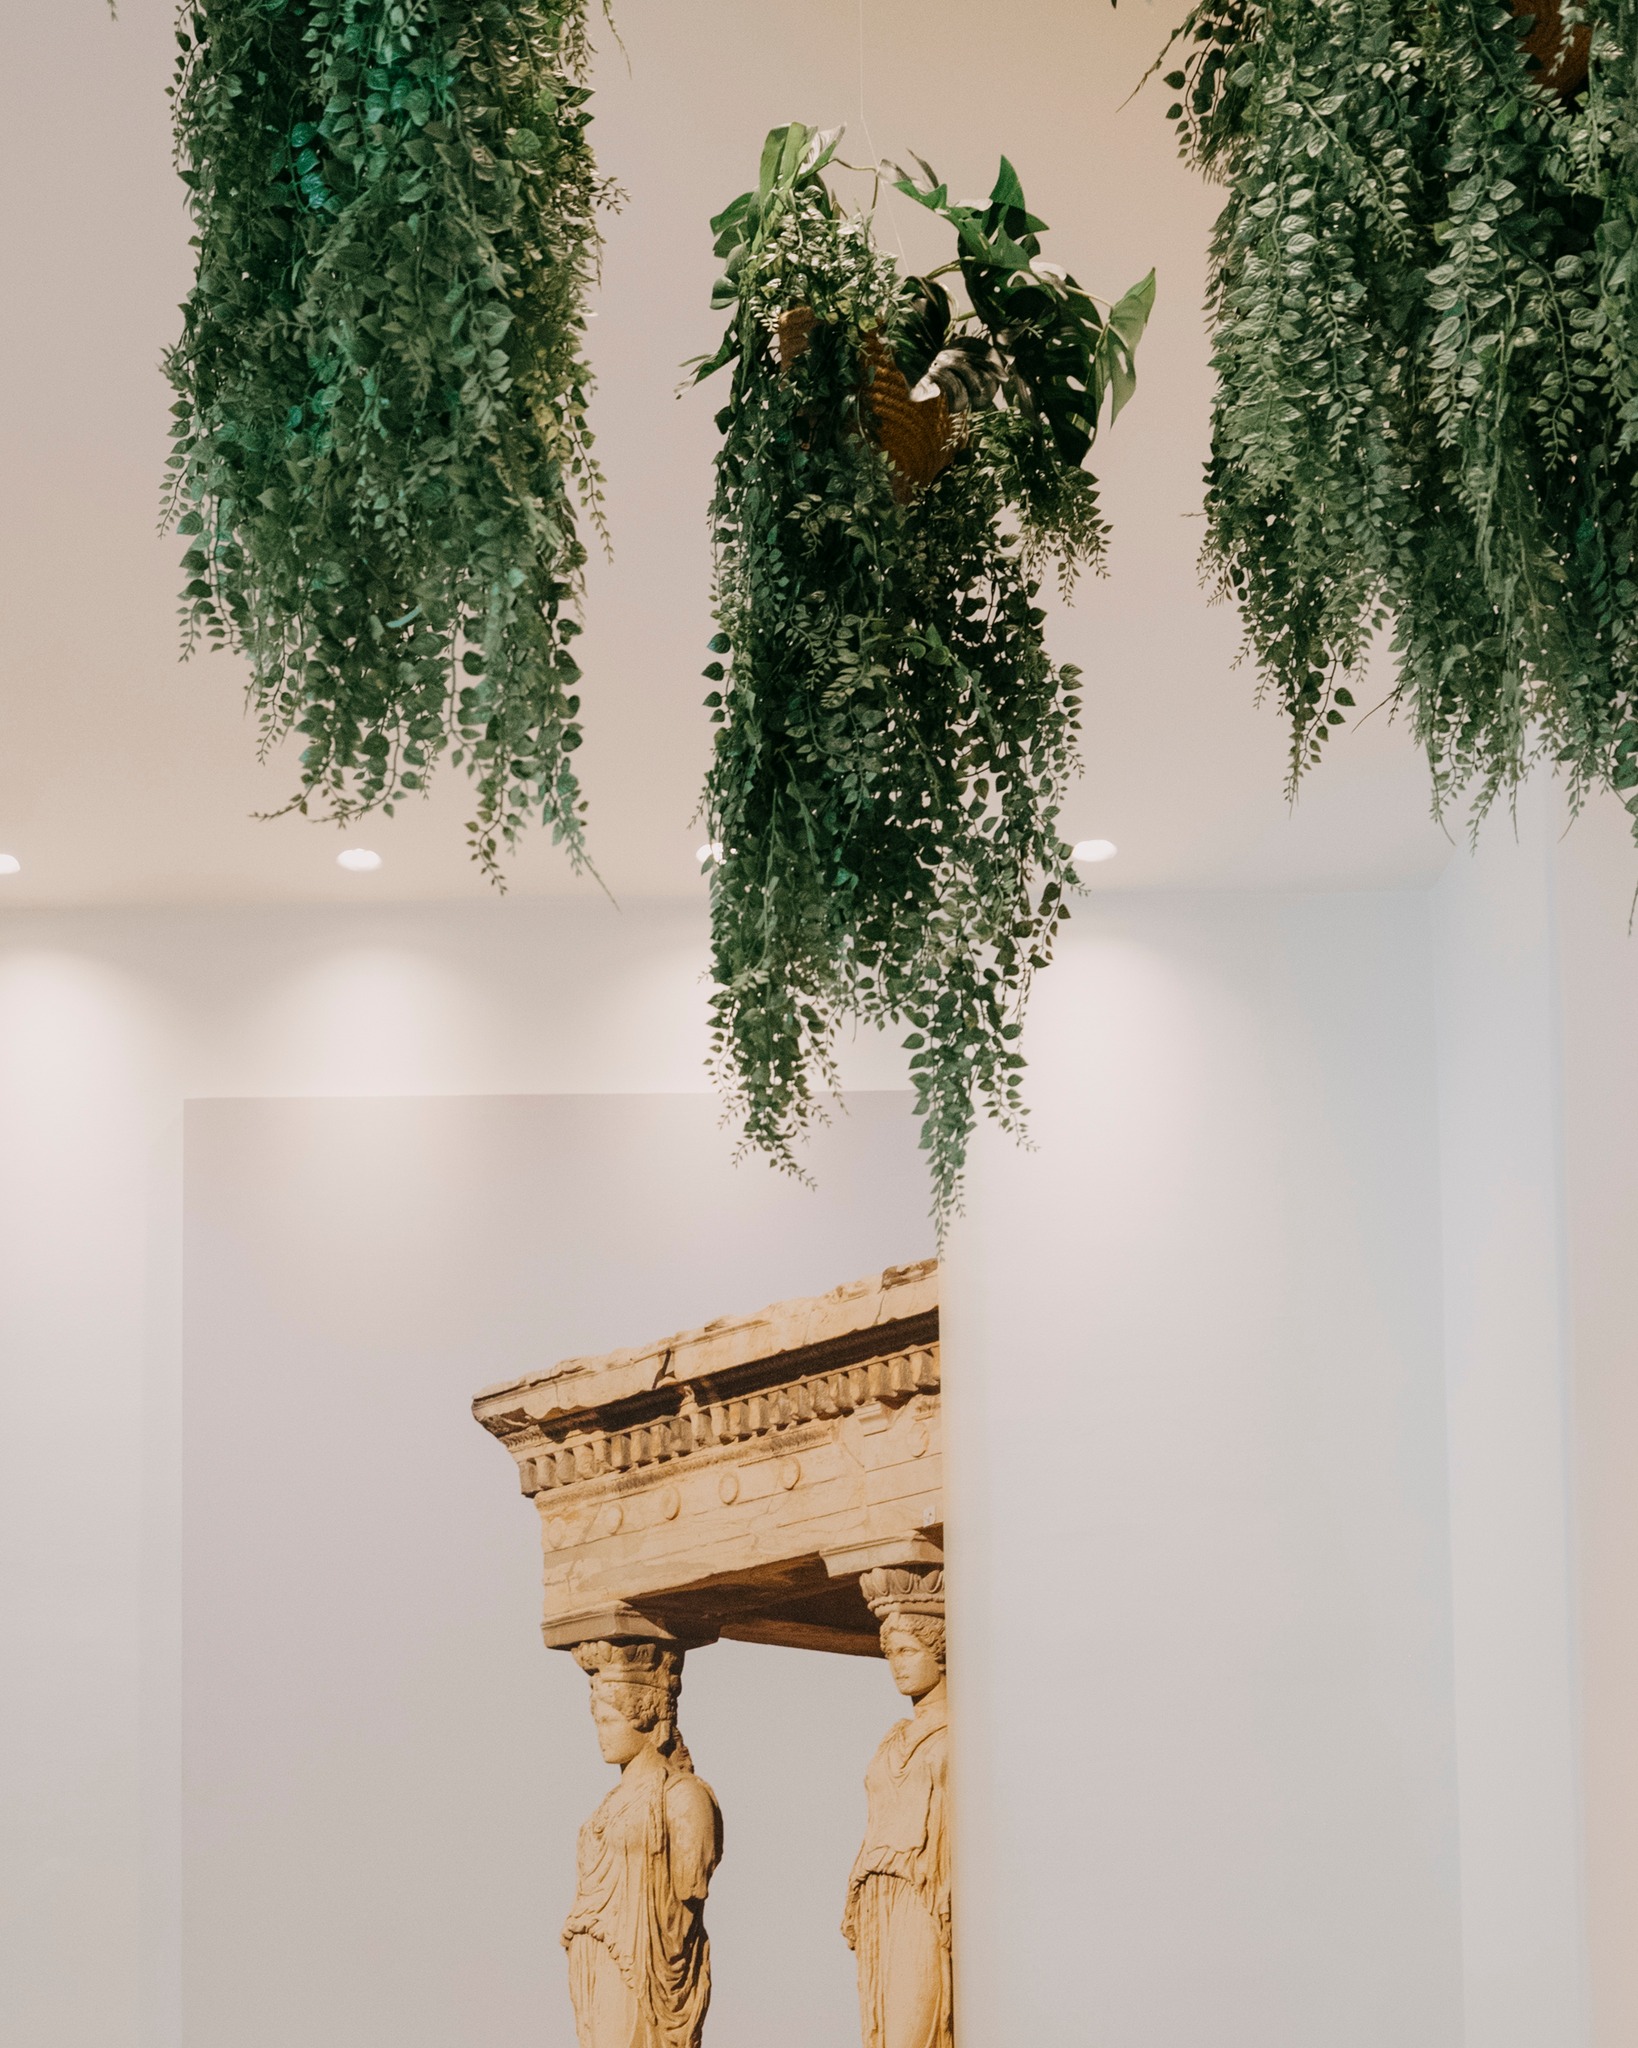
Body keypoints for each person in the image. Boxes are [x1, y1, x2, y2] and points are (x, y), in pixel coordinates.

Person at [562, 1640, 722, 2048]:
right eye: (597, 1721)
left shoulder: (683, 1795)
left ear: (645, 1717)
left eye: (610, 1720)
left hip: (645, 1963)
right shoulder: (611, 1803)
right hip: (596, 1955)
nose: (600, 1734)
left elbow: (689, 1894)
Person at [843, 1568, 952, 2048]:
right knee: (882, 2031)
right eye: (890, 1653)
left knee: (913, 2029)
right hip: (879, 1894)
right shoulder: (893, 1736)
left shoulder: (960, 1735)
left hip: (926, 1894)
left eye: (908, 1651)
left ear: (941, 1651)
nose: (896, 1665)